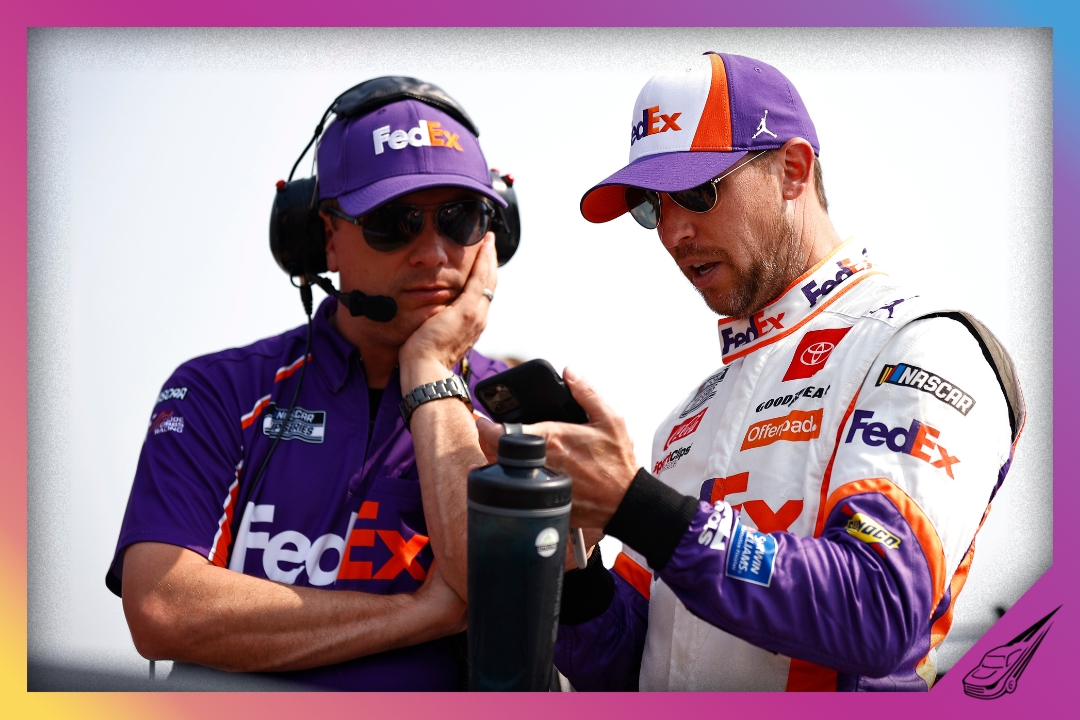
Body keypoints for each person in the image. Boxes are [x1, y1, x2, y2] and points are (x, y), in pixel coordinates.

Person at [477, 52, 1025, 691]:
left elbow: (877, 610)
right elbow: (635, 669)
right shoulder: (688, 417)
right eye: (652, 206)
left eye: (696, 191)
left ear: (793, 171)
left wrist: (638, 506)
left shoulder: (921, 343)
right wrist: (573, 563)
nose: (674, 232)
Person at [106, 78, 510, 690]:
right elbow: (164, 607)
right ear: (325, 237)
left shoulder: (523, 415)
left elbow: (505, 608)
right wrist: (421, 612)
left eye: (460, 220)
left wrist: (431, 370)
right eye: (393, 223)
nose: (432, 253)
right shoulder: (219, 391)